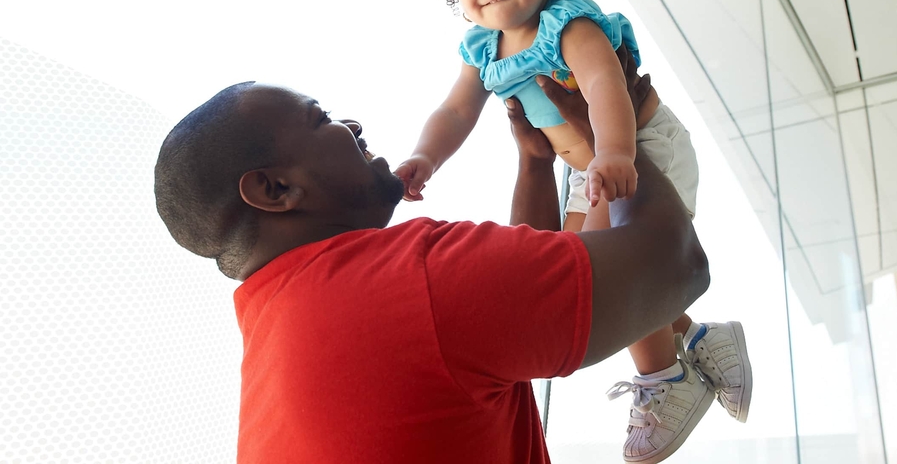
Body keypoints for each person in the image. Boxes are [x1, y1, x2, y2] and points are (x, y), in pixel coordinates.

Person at [153, 52, 709, 464]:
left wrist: (535, 166)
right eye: (321, 119)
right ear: (274, 190)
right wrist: (605, 138)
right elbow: (675, 261)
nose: (352, 125)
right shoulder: (406, 282)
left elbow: (511, 323)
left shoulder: (292, 322)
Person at [394, 0, 751, 462]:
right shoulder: (483, 49)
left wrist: (615, 152)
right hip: (592, 168)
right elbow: (456, 111)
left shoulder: (567, 23)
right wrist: (424, 158)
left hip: (637, 149)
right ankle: (699, 336)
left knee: (610, 272)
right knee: (576, 266)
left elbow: (605, 85)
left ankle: (665, 379)